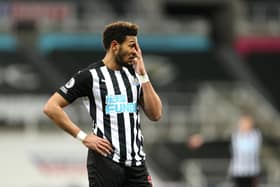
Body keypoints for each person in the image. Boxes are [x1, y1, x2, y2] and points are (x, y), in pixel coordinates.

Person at [43, 21, 162, 187]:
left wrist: (143, 74)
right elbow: (51, 107)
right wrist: (83, 137)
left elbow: (155, 114)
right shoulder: (90, 76)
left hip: (136, 164)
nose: (136, 52)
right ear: (115, 46)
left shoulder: (134, 75)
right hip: (105, 163)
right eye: (132, 46)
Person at [229, 113, 262, 187]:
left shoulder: (256, 135)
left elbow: (251, 149)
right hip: (239, 171)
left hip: (252, 171)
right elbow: (239, 149)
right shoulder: (236, 135)